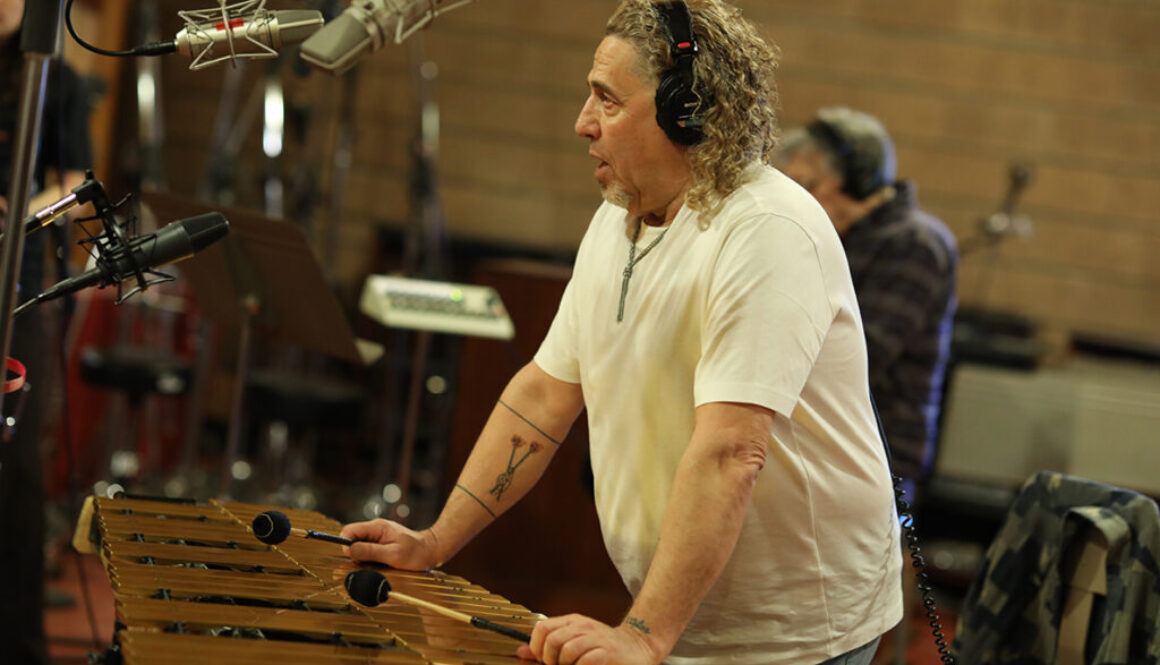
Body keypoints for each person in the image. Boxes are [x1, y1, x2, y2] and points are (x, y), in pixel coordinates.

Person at [341, 2, 902, 664]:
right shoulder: (618, 218)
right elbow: (544, 397)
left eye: (607, 100)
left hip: (799, 629)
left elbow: (731, 451)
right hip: (691, 617)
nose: (583, 124)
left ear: (683, 111)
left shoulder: (766, 230)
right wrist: (433, 542)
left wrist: (641, 634)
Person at [776, 107, 958, 503]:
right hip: (827, 455)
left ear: (857, 180)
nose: (800, 200)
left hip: (876, 466)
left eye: (807, 184)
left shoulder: (916, 244)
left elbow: (857, 355)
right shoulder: (838, 236)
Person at [0, 1, 94, 663]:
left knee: (16, 465)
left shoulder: (54, 78)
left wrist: (17, 214)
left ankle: (20, 643)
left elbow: (78, 186)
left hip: (20, 281)